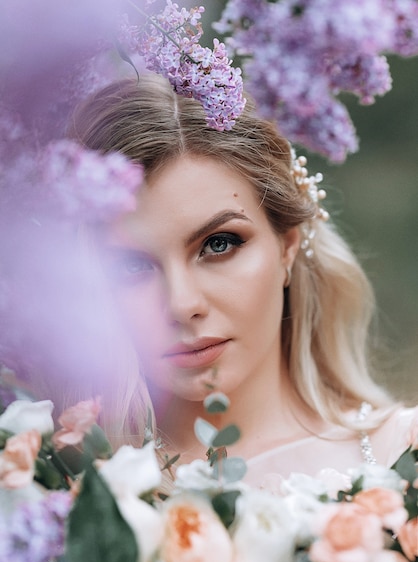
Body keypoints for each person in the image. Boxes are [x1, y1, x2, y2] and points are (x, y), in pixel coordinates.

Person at [65, 73, 416, 486]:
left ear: (286, 245)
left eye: (218, 244)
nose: (181, 303)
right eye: (130, 267)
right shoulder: (54, 486)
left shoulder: (405, 457)